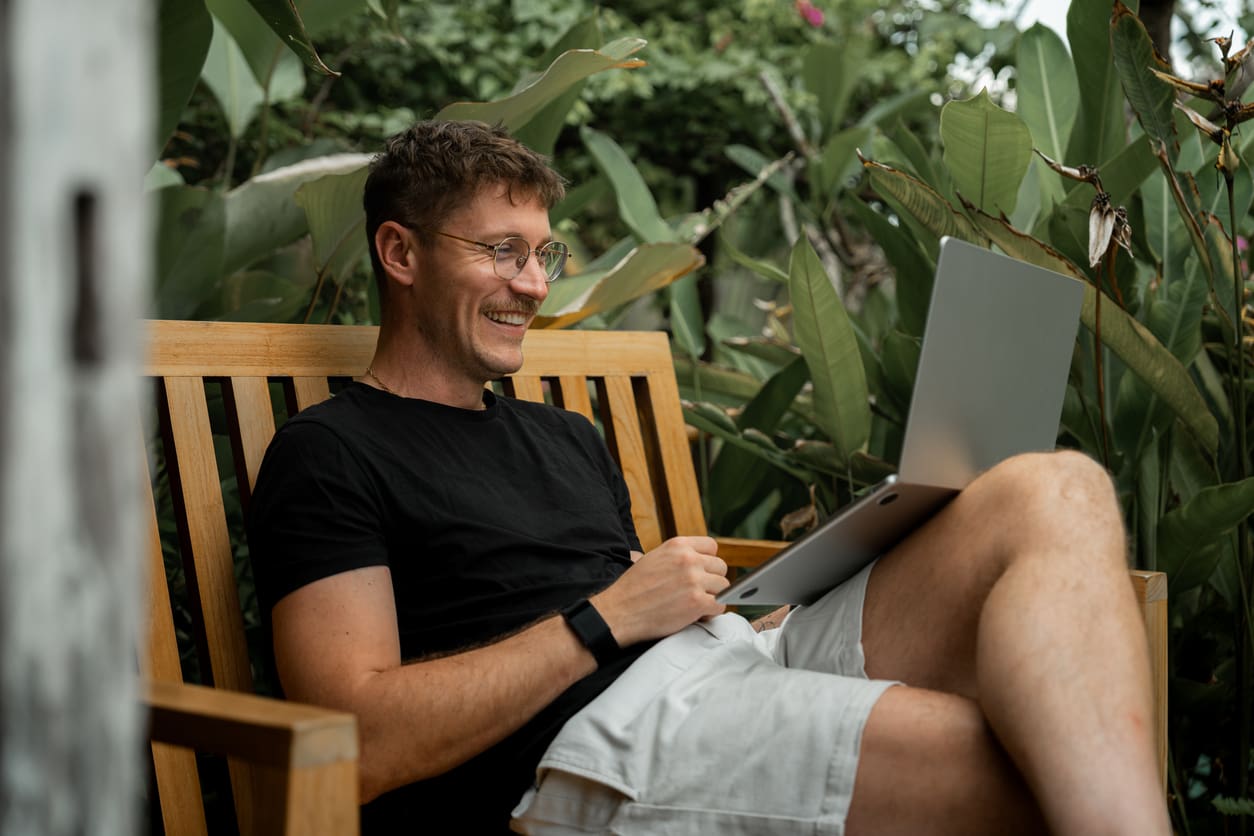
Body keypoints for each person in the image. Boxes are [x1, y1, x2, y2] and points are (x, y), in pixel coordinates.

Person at [246, 120, 1170, 835]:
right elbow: (353, 740)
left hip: (720, 666)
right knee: (1018, 765)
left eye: (544, 254)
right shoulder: (331, 453)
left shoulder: (564, 435)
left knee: (1055, 485)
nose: (534, 284)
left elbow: (637, 605)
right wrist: (606, 618)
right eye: (502, 252)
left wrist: (725, 613)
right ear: (401, 253)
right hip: (582, 751)